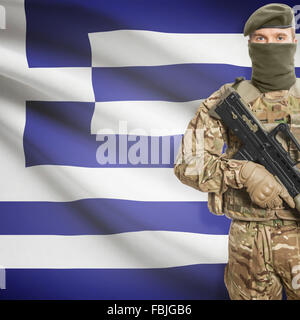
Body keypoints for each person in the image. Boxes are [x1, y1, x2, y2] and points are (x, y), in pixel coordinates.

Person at [174, 3, 300, 300]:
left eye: (280, 38)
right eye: (261, 39)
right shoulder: (228, 101)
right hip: (247, 245)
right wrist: (243, 172)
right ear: (250, 44)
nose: (270, 46)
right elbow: (188, 164)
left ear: (294, 41)